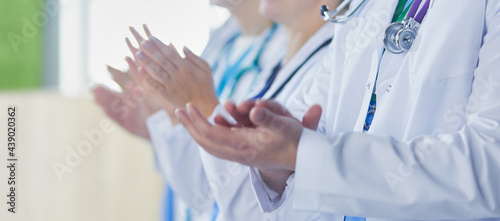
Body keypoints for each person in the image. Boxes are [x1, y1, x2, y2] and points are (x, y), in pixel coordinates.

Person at [176, 0, 500, 220]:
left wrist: (303, 155)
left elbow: (490, 169)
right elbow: (293, 175)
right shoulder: (361, 11)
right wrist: (275, 164)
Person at [134, 0, 341, 220]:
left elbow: (257, 207)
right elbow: (209, 192)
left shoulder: (331, 67)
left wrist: (202, 105)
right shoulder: (274, 60)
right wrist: (170, 113)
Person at [95, 0, 284, 220]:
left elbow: (246, 193)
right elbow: (196, 185)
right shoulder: (222, 41)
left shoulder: (287, 48)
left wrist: (189, 114)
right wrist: (163, 125)